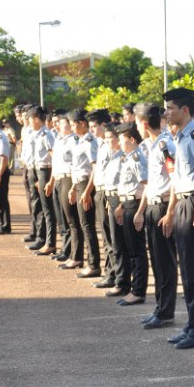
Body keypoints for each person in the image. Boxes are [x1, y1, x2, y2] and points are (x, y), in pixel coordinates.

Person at [162, 88, 194, 350]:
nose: (166, 112)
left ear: (184, 110)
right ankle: (193, 324)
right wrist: (171, 210)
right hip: (183, 202)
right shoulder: (181, 138)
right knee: (188, 270)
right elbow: (177, 178)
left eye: (170, 108)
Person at [136, 102, 178, 329]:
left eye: (136, 122)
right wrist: (142, 210)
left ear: (143, 123)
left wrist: (170, 212)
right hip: (153, 206)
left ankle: (166, 311)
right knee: (156, 261)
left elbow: (175, 179)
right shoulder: (152, 146)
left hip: (163, 207)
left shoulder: (165, 145)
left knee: (165, 262)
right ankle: (159, 307)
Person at [113, 122, 149, 306]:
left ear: (132, 140)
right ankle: (134, 289)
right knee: (130, 249)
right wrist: (121, 206)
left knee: (137, 251)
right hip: (127, 204)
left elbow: (146, 187)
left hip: (136, 206)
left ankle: (138, 291)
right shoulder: (128, 157)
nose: (119, 143)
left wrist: (140, 212)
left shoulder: (137, 158)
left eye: (122, 139)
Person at [46, 111, 83, 269]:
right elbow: (55, 163)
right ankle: (68, 252)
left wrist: (73, 186)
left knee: (73, 220)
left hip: (69, 178)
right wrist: (51, 181)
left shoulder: (74, 140)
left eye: (62, 124)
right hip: (59, 178)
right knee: (64, 218)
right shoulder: (59, 139)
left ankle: (76, 256)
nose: (58, 126)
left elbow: (76, 164)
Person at [68, 109, 101, 279]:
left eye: (73, 124)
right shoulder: (81, 141)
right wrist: (73, 187)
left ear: (81, 123)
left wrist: (87, 191)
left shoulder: (89, 142)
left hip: (87, 185)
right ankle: (90, 262)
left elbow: (95, 169)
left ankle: (94, 265)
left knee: (88, 226)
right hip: (79, 184)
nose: (72, 128)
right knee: (83, 224)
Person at [100, 125, 132, 299]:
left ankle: (122, 283)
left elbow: (124, 183)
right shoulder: (113, 157)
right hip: (111, 198)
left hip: (120, 201)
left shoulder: (124, 158)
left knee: (120, 244)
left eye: (111, 138)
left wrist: (118, 204)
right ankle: (120, 279)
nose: (108, 141)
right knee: (114, 242)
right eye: (105, 138)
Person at [86, 109, 116, 288]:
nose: (91, 130)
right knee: (105, 236)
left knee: (110, 238)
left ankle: (112, 274)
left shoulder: (111, 145)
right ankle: (110, 272)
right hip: (100, 191)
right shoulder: (102, 144)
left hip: (107, 191)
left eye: (94, 126)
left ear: (104, 125)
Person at [25, 106, 57, 256]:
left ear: (37, 119)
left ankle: (50, 243)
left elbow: (54, 157)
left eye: (30, 119)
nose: (29, 122)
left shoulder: (46, 135)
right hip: (36, 170)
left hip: (45, 171)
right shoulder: (34, 134)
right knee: (37, 206)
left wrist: (51, 180)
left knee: (47, 208)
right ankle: (40, 238)